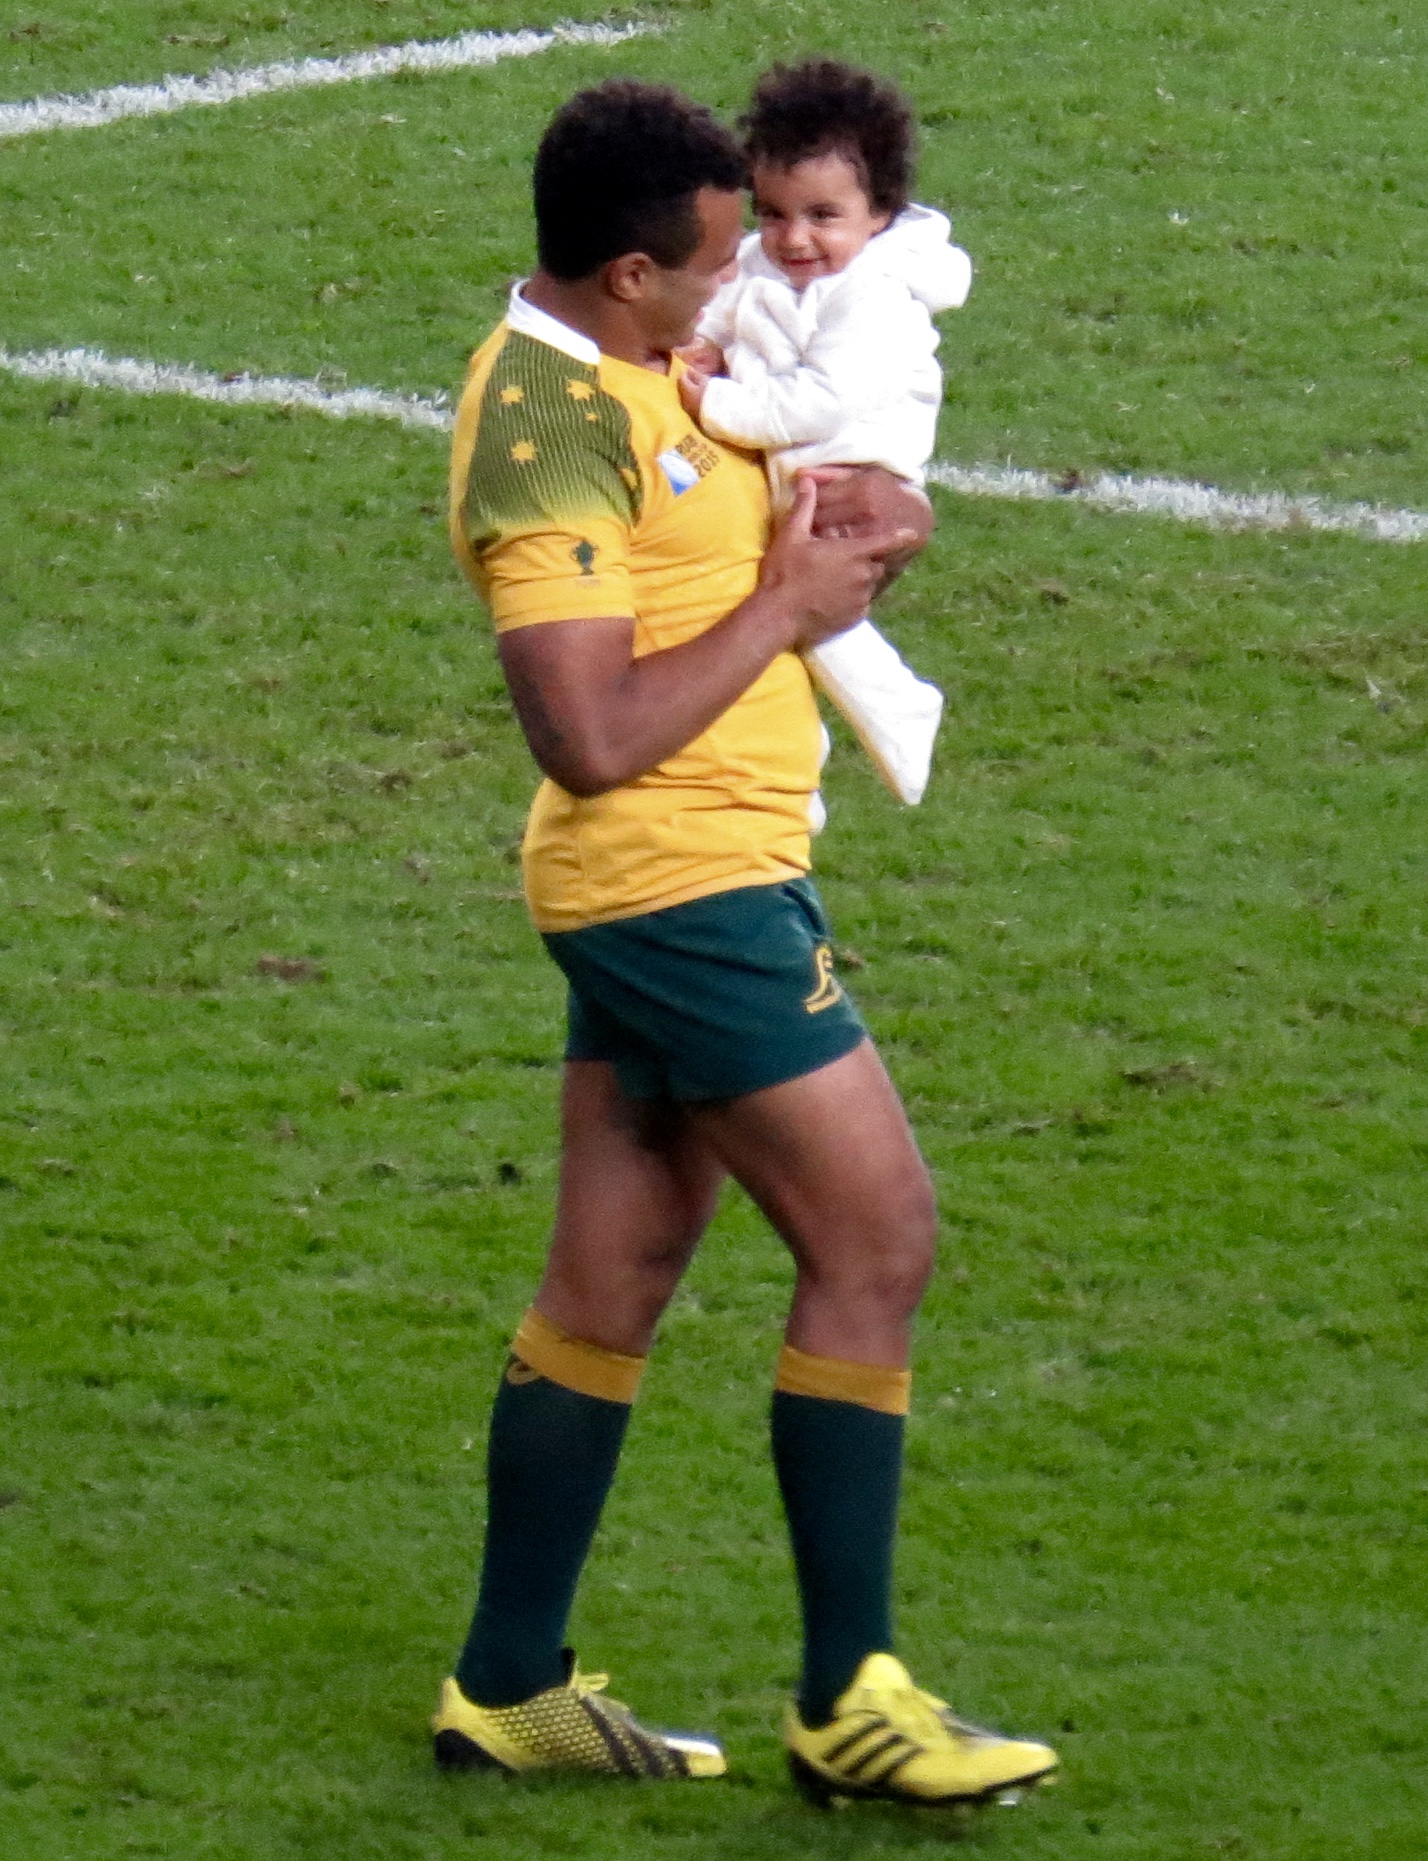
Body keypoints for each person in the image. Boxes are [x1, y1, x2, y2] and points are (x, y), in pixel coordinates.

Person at [432, 76, 1059, 1809]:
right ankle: (850, 1698)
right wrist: (786, 605)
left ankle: (507, 1685)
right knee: (878, 1234)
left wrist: (860, 542)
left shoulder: (645, 364)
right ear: (629, 270)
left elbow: (743, 557)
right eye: (714, 261)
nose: (745, 280)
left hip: (708, 870)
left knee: (612, 1276)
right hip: (673, 886)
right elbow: (586, 733)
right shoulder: (544, 424)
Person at [680, 58, 972, 810]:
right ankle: (798, 756)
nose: (794, 238)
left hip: (851, 477)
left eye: (821, 215)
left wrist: (713, 401)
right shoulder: (764, 262)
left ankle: (894, 713)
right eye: (773, 213)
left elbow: (817, 403)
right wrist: (703, 341)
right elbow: (726, 303)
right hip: (798, 472)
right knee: (770, 609)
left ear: (880, 213)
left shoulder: (874, 297)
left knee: (797, 605)